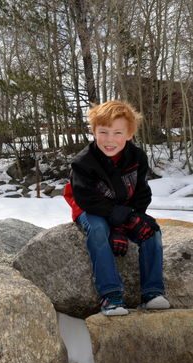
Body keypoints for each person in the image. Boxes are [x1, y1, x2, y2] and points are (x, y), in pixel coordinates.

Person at [63, 100, 170, 316]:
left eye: (118, 133)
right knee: (99, 229)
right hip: (90, 209)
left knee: (152, 230)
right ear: (93, 132)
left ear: (129, 134)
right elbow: (87, 199)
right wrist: (121, 220)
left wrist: (128, 223)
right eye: (103, 132)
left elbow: (142, 193)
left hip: (124, 210)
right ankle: (110, 294)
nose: (110, 140)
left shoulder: (137, 157)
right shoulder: (83, 162)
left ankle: (152, 292)